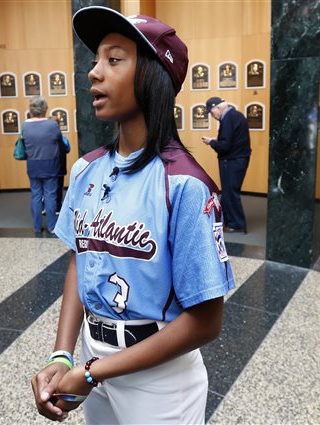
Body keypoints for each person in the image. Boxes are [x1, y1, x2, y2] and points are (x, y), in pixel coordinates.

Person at [31, 6, 234, 425]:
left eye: (114, 59)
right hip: (91, 357)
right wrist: (63, 354)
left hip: (158, 380)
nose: (94, 72)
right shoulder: (87, 168)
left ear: (152, 76)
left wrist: (90, 374)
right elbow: (79, 256)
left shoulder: (184, 184)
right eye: (95, 60)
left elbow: (206, 322)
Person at [201, 97, 251, 234]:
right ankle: (229, 220)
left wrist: (211, 143)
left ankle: (237, 224)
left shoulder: (227, 119)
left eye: (211, 113)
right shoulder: (236, 116)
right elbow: (231, 140)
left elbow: (224, 146)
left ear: (217, 108)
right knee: (230, 192)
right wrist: (216, 140)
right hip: (239, 159)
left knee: (230, 193)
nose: (213, 116)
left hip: (231, 161)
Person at [23, 95, 63, 234]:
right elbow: (59, 140)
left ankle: (37, 227)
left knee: (35, 195)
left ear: (31, 109)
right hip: (50, 165)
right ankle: (52, 227)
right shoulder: (52, 125)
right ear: (45, 109)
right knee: (50, 195)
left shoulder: (25, 125)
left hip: (33, 165)